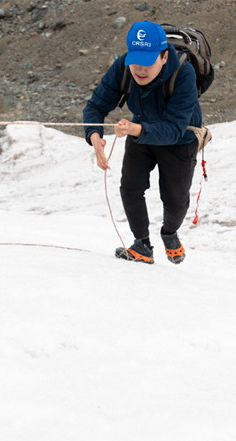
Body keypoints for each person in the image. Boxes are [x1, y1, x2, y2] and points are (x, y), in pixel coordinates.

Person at [83, 20, 202, 265]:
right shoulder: (124, 67)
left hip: (179, 139)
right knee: (130, 187)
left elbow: (174, 128)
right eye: (135, 60)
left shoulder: (183, 73)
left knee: (175, 199)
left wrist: (136, 129)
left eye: (147, 62)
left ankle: (169, 234)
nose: (139, 69)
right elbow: (96, 105)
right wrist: (94, 137)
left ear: (163, 56)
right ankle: (142, 245)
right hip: (141, 131)